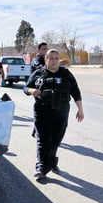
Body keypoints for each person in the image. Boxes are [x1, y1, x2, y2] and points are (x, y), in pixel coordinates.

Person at [24, 49, 84, 179]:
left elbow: (76, 92)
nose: (54, 61)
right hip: (42, 112)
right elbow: (25, 88)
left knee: (56, 141)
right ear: (46, 60)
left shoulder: (66, 74)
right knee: (43, 140)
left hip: (61, 113)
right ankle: (41, 167)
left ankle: (51, 162)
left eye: (56, 58)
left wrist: (80, 109)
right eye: (51, 58)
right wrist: (32, 90)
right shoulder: (39, 73)